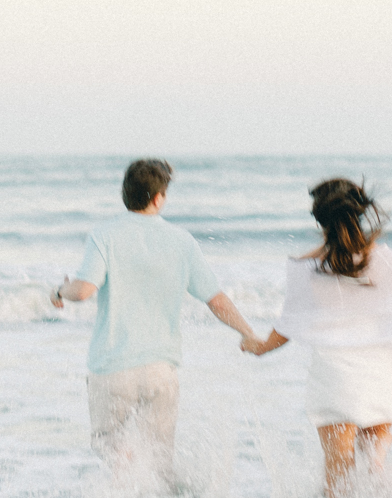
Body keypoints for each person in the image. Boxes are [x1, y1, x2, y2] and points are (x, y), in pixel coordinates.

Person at [51, 158, 259, 478]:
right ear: (158, 198)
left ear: (125, 194)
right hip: (160, 372)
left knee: (112, 450)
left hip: (112, 368)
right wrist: (248, 333)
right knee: (160, 463)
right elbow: (216, 300)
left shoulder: (104, 235)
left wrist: (59, 291)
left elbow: (83, 291)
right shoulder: (182, 241)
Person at [242, 177, 392, 498]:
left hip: (335, 378)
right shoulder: (383, 259)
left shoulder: (306, 266)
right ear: (359, 214)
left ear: (319, 219)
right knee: (373, 463)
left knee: (337, 487)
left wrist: (258, 346)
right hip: (381, 374)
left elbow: (287, 326)